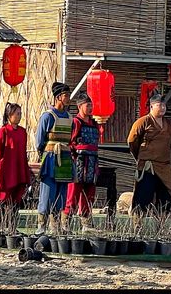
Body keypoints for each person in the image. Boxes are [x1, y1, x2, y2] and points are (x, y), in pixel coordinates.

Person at [127, 94, 171, 227]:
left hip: (164, 165)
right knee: (143, 195)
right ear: (152, 106)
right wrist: (142, 156)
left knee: (165, 197)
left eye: (164, 105)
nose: (163, 108)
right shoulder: (143, 122)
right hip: (147, 165)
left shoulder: (169, 124)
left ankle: (162, 226)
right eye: (160, 105)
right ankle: (138, 225)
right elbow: (132, 141)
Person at [35, 82, 74, 235]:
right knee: (47, 191)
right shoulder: (48, 116)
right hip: (51, 157)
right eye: (66, 96)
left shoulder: (70, 117)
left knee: (61, 192)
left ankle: (55, 226)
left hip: (64, 157)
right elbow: (39, 140)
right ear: (58, 97)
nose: (68, 98)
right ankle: (41, 225)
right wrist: (44, 153)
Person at [63, 92, 100, 233]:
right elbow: (70, 142)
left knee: (89, 194)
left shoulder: (94, 123)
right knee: (73, 193)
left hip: (92, 162)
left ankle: (86, 224)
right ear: (79, 106)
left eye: (91, 105)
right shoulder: (76, 122)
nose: (90, 107)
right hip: (78, 162)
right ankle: (65, 223)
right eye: (87, 105)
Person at [0, 103, 30, 234]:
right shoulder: (4, 131)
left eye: (20, 113)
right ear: (9, 115)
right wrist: (3, 163)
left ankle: (12, 228)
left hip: (18, 169)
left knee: (16, 201)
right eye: (17, 113)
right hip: (7, 170)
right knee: (3, 199)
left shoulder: (22, 132)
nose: (19, 116)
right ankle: (0, 228)